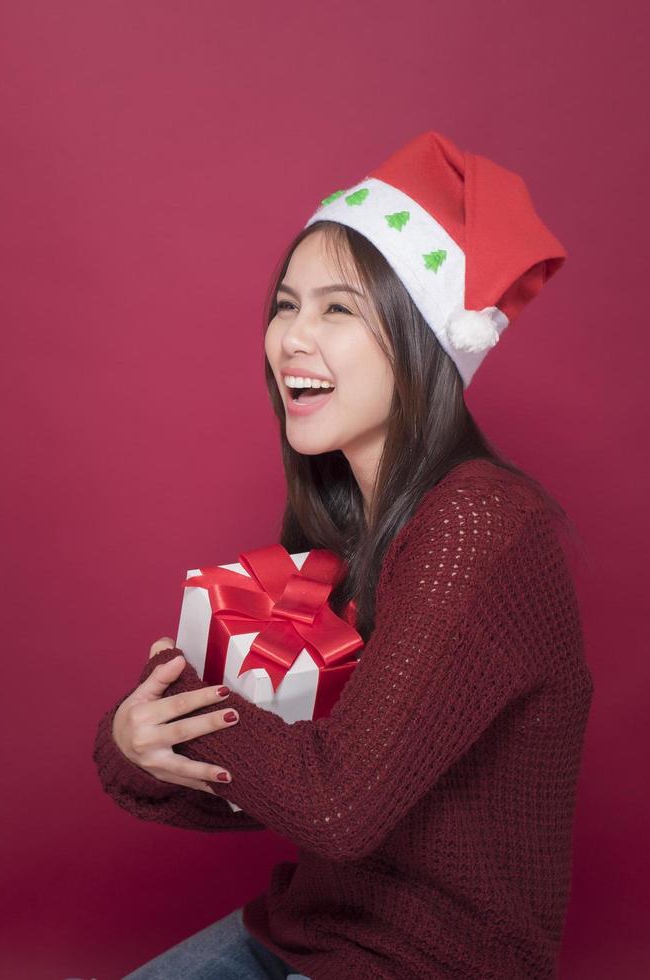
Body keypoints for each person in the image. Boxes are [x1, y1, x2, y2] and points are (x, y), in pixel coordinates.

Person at [91, 130, 594, 979]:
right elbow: (284, 785)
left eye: (337, 309)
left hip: (428, 965)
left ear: (421, 340)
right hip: (305, 931)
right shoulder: (342, 528)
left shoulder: (477, 525)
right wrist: (133, 742)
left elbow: (334, 805)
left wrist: (195, 702)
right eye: (286, 304)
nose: (292, 337)